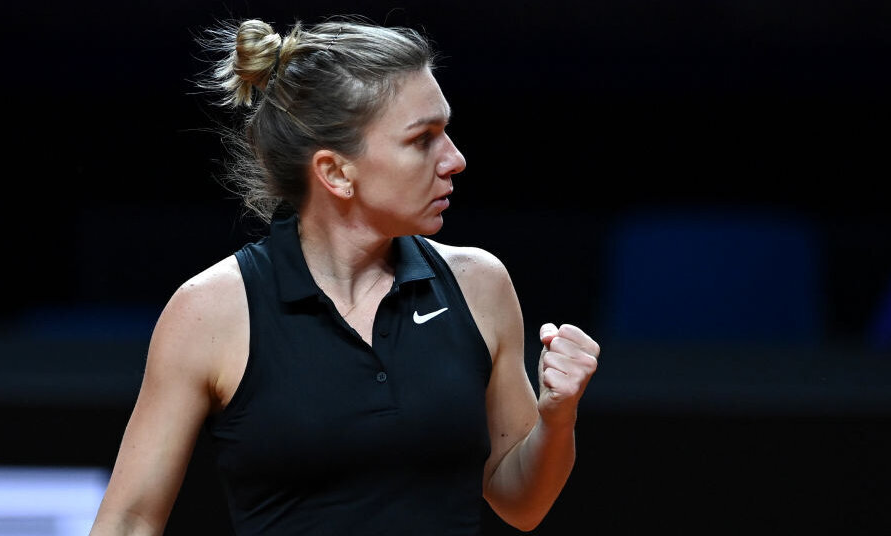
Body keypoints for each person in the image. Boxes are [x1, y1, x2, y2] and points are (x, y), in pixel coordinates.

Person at [89, 15, 599, 536]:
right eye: (422, 139)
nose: (455, 159)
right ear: (335, 172)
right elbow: (129, 521)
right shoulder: (210, 311)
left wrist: (557, 419)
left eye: (446, 131)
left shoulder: (479, 284)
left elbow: (522, 504)